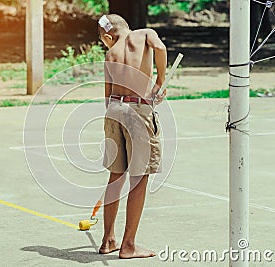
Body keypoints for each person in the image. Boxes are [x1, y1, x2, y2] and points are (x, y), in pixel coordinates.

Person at [97, 14, 167, 259]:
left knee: (115, 177)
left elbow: (107, 95)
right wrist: (159, 81)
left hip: (114, 110)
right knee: (138, 180)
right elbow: (160, 47)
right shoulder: (145, 34)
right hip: (139, 109)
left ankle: (108, 240)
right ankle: (128, 245)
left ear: (108, 36)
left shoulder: (109, 54)